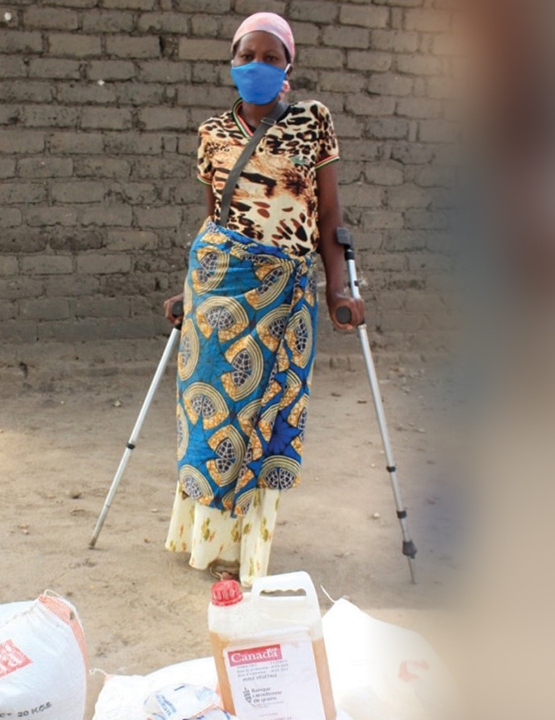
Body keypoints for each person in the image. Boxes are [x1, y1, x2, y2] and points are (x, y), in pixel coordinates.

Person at [162, 12, 364, 587]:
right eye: (248, 55)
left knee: (269, 415)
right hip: (217, 288)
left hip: (286, 295)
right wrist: (187, 291)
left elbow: (329, 216)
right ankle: (202, 545)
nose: (258, 66)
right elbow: (214, 221)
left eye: (271, 58)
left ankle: (248, 553)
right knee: (211, 415)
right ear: (232, 62)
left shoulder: (313, 122)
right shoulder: (212, 133)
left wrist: (340, 288)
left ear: (288, 68)